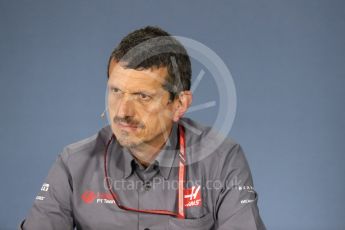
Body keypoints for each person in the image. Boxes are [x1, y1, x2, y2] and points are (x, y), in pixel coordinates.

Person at [20, 26, 266, 230]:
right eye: (116, 91)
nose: (123, 111)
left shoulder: (221, 161)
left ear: (179, 104)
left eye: (142, 96)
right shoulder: (74, 163)